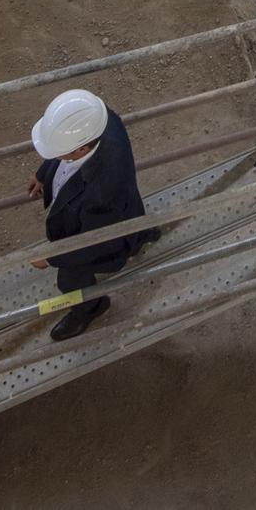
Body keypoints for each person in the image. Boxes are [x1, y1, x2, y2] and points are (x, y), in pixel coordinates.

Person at [25, 89, 152, 340]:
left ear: (82, 150)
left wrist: (51, 257)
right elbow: (64, 149)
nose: (55, 156)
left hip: (100, 230)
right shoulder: (100, 118)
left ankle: (90, 309)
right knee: (134, 219)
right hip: (126, 206)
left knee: (71, 279)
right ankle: (143, 235)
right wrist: (43, 174)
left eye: (57, 152)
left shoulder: (102, 190)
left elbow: (92, 243)